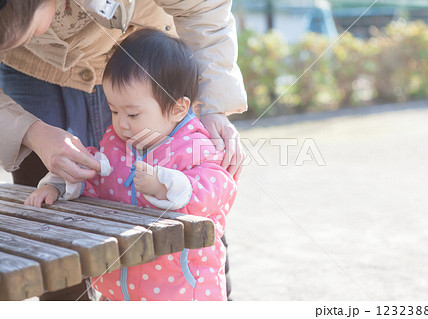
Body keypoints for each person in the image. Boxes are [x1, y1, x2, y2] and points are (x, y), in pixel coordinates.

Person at [0, 0, 246, 300]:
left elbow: (218, 189)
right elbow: (93, 178)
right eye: (113, 111)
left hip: (183, 290)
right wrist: (60, 186)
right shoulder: (115, 146)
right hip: (122, 291)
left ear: (179, 107)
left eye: (131, 115)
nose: (120, 125)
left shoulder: (194, 145)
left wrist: (169, 185)